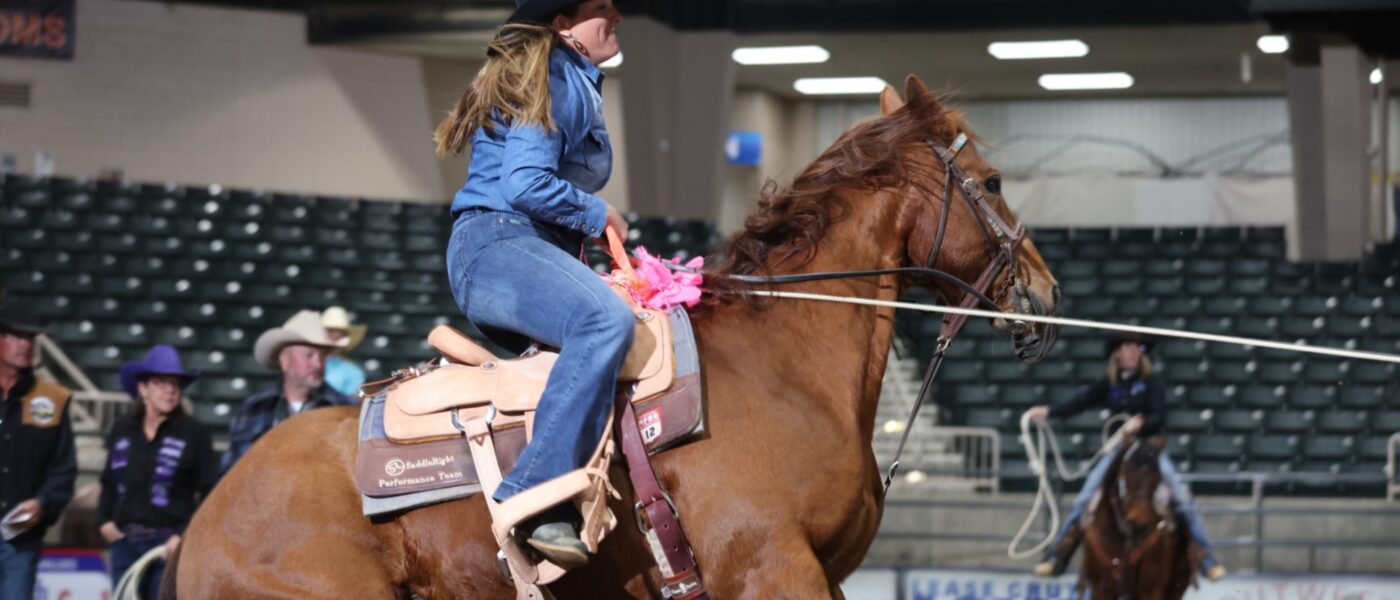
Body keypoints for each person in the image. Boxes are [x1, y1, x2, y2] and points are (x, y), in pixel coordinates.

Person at [435, 0, 628, 568]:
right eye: (601, 8)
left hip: (518, 247)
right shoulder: (557, 75)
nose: (615, 15)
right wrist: (599, 215)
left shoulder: (571, 77)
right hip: (498, 243)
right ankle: (533, 496)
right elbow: (524, 183)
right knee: (604, 320)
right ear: (564, 26)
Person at [1027, 333, 1227, 581]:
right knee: (1085, 499)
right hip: (1118, 450)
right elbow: (1080, 402)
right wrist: (1049, 411)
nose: (1133, 352)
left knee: (1181, 498)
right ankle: (1057, 557)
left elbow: (1160, 416)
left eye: (1137, 348)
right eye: (1128, 347)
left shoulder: (1152, 382)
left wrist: (1141, 422)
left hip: (1148, 450)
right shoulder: (1109, 383)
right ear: (1118, 353)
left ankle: (1207, 559)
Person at [99, 345, 218, 598]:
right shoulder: (122, 429)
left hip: (168, 547)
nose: (170, 389)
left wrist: (183, 535)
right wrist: (104, 521)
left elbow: (210, 493)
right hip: (124, 544)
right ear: (143, 389)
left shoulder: (194, 433)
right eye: (161, 382)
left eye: (175, 384)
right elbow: (109, 482)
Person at [0, 300, 76, 599]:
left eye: (30, 339)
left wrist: (42, 502)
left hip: (20, 539)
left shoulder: (52, 398)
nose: (25, 345)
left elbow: (64, 469)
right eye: (17, 337)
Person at [222, 310, 355, 472]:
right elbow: (231, 473)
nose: (318, 364)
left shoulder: (345, 409)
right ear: (284, 361)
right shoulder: (255, 407)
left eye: (322, 356)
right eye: (309, 355)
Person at [320, 306, 367, 397]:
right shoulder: (302, 364)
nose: (334, 336)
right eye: (330, 331)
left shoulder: (353, 372)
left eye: (338, 332)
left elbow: (349, 406)